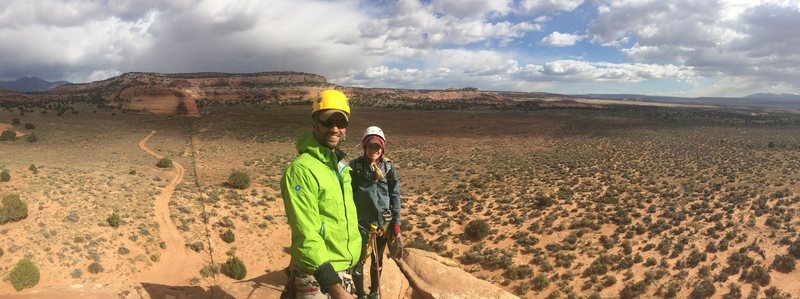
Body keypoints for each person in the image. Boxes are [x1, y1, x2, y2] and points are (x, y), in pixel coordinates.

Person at [281, 89, 361, 299]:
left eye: (340, 123)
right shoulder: (301, 170)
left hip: (344, 270)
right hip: (318, 277)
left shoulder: (340, 166)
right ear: (315, 122)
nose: (334, 128)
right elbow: (306, 234)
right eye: (328, 121)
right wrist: (334, 288)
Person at [349, 126, 402, 299]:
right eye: (371, 146)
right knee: (359, 261)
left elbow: (394, 194)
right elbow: (346, 194)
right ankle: (361, 294)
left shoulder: (388, 167)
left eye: (378, 147)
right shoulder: (355, 166)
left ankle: (373, 293)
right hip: (361, 223)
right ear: (365, 146)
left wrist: (396, 222)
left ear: (382, 148)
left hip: (382, 223)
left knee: (376, 262)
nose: (374, 150)